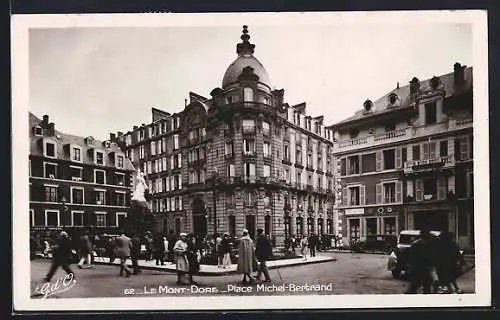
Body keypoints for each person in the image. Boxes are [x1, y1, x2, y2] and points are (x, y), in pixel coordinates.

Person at [405, 229, 435, 294]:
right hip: (418, 266)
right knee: (416, 283)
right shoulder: (417, 244)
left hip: (424, 267)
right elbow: (413, 256)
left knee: (425, 283)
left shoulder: (428, 243)